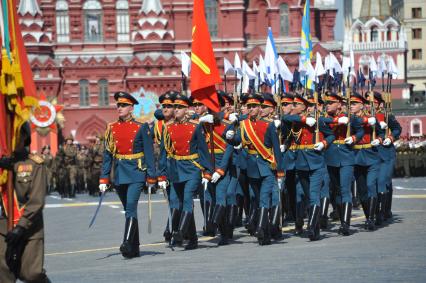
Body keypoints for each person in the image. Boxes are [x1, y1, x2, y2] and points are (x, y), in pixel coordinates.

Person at [99, 91, 157, 258]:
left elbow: (149, 153)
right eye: (118, 105)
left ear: (131, 108)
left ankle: (126, 243)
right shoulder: (112, 128)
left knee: (131, 207)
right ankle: (135, 247)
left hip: (136, 173)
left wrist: (151, 176)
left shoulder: (141, 127)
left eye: (123, 105)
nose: (120, 108)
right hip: (119, 174)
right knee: (129, 210)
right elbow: (108, 154)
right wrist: (104, 177)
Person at [158, 93, 213, 250]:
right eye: (175, 107)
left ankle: (180, 232)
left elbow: (203, 150)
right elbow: (163, 153)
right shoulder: (167, 128)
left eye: (180, 108)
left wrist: (207, 171)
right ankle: (193, 239)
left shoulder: (195, 127)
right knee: (176, 201)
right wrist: (161, 174)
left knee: (188, 198)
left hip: (192, 168)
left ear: (186, 110)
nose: (176, 110)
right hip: (175, 170)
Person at [0, 122, 50, 283]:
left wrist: (21, 226)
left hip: (29, 229)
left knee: (31, 274)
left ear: (24, 137)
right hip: (2, 229)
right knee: (4, 275)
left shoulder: (34, 164)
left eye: (17, 134)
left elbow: (36, 200)